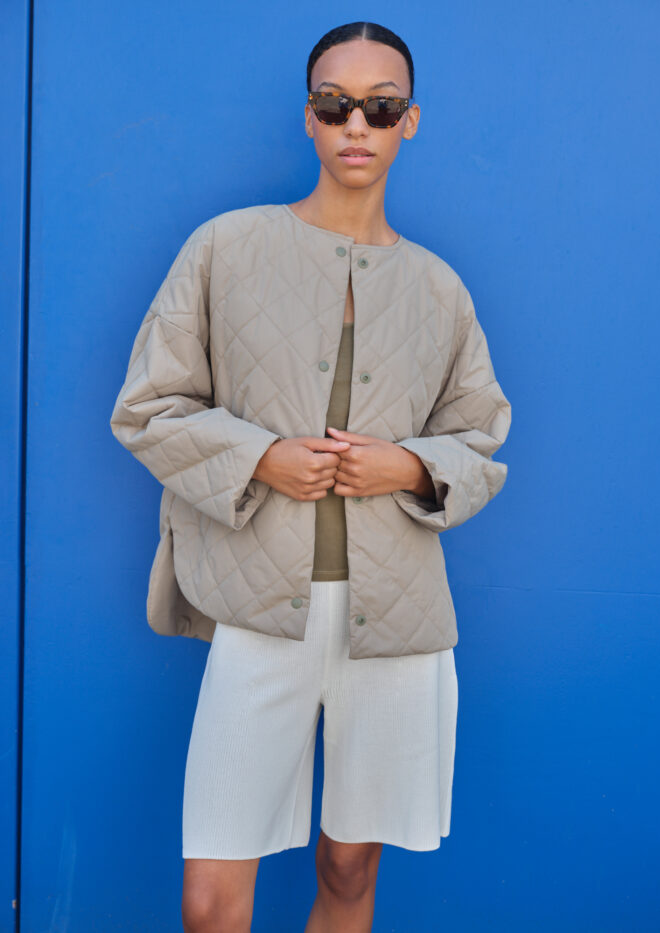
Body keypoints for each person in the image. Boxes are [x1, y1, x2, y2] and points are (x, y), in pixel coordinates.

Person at [110, 20, 511, 933]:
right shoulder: (226, 248)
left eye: (380, 107)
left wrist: (409, 465)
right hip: (260, 609)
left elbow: (481, 437)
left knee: (350, 868)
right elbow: (147, 406)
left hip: (397, 620)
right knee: (211, 902)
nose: (356, 124)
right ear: (309, 117)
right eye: (335, 104)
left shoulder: (440, 289)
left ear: (410, 120)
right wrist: (261, 456)